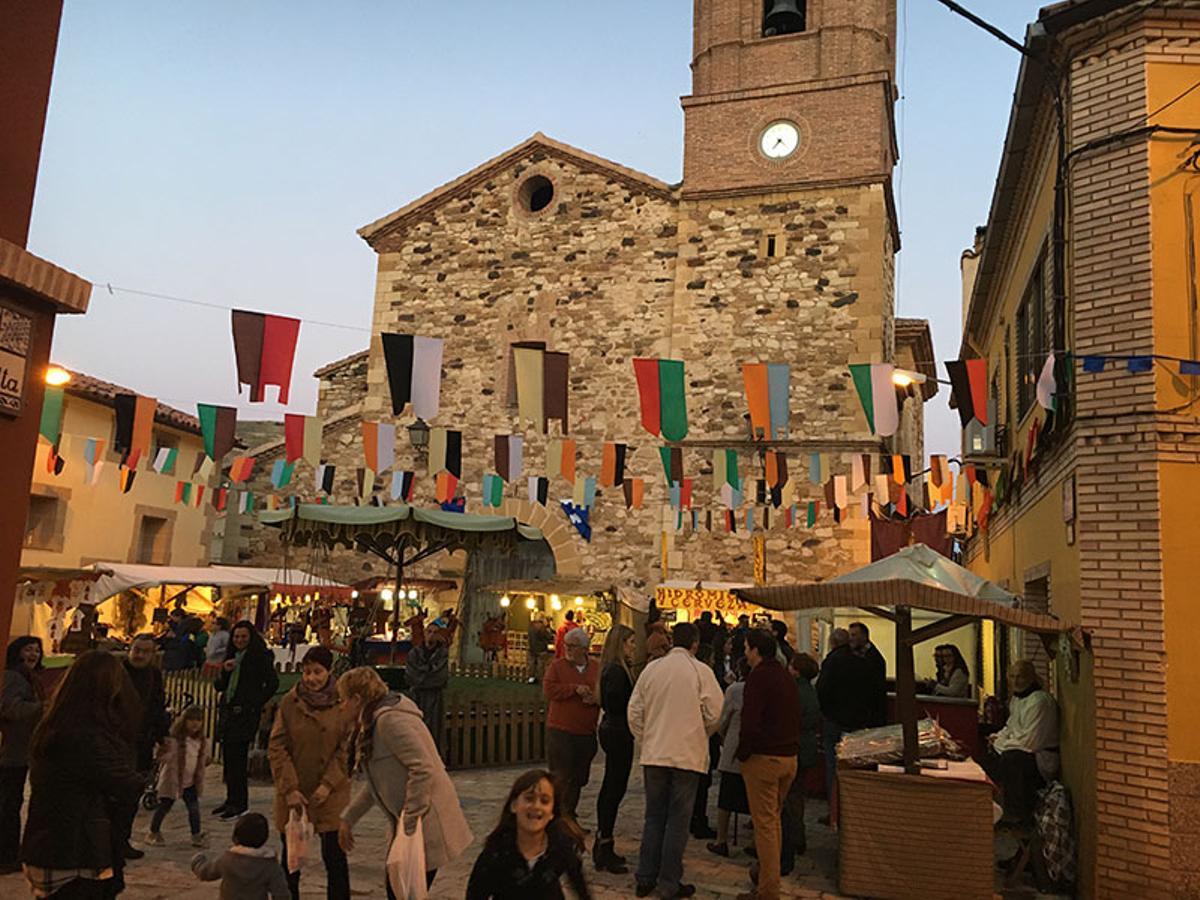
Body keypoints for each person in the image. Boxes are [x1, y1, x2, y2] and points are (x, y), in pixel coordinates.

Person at [21, 650, 146, 899]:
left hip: (48, 843)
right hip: (74, 851)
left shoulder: (56, 724)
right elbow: (124, 785)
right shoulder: (86, 736)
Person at [337, 667, 472, 894]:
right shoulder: (370, 725)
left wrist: (409, 821)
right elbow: (378, 783)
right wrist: (349, 818)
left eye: (343, 700)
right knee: (400, 890)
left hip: (425, 824)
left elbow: (423, 767)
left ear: (357, 699)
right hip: (408, 827)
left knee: (403, 890)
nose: (340, 706)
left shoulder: (389, 721)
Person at [628, 622, 724, 900]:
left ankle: (645, 876)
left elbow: (634, 710)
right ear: (694, 643)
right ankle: (669, 881)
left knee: (654, 817)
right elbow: (716, 713)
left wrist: (647, 738)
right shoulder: (701, 672)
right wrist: (699, 732)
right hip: (686, 756)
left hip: (656, 754)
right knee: (677, 822)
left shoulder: (652, 670)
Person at [268, 646, 353, 900]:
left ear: (329, 672)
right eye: (307, 672)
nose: (311, 678)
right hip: (296, 789)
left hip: (331, 792)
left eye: (317, 672)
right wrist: (289, 788)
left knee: (335, 857)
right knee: (291, 858)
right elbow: (278, 745)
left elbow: (346, 749)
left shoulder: (343, 704)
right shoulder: (290, 702)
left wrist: (328, 784)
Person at [736, 629, 800, 900]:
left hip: (765, 757)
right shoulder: (785, 675)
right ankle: (767, 879)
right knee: (773, 823)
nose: (745, 653)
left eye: (747, 648)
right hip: (788, 757)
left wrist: (742, 753)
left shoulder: (759, 677)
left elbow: (750, 722)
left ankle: (768, 891)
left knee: (765, 826)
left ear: (755, 650)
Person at [466, 769, 591, 899]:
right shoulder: (496, 852)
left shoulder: (560, 846)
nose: (536, 806)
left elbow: (581, 890)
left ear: (552, 813)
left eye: (544, 801)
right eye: (529, 799)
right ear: (514, 805)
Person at [214, 621, 280, 820]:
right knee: (229, 758)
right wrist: (225, 671)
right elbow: (219, 686)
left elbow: (272, 683)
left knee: (239, 759)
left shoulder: (259, 657)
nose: (239, 640)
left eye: (243, 637)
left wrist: (254, 702)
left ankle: (240, 803)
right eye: (236, 637)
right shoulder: (232, 657)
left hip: (244, 714)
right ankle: (230, 799)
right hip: (229, 712)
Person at [985, 659, 1059, 825]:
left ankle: (1018, 816)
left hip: (1041, 759)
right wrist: (997, 738)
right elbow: (1010, 727)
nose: (1016, 681)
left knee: (1012, 759)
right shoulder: (1016, 700)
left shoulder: (1039, 702)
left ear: (1031, 677)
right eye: (1012, 676)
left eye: (1021, 677)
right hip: (1019, 747)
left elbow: (1030, 743)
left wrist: (1000, 743)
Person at [121, 633, 170, 859]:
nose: (139, 655)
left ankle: (122, 839)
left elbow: (157, 707)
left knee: (133, 792)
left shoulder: (153, 676)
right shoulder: (118, 673)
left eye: (145, 651)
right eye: (136, 650)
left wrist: (163, 737)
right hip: (118, 741)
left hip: (142, 743)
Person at [542, 626, 599, 822]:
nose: (568, 649)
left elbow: (602, 692)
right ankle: (558, 817)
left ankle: (569, 815)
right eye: (567, 645)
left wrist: (596, 699)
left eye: (573, 646)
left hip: (585, 732)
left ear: (584, 648)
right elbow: (549, 690)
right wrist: (573, 689)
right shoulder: (557, 667)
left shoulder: (595, 668)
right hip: (561, 731)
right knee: (561, 777)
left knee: (578, 778)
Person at [0, 636, 45, 874]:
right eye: (29, 649)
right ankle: (6, 854)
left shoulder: (27, 677)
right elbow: (10, 708)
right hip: (12, 751)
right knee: (9, 803)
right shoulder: (14, 677)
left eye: (37, 650)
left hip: (20, 749)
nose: (34, 654)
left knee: (12, 802)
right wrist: (43, 708)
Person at [594, 625, 636, 874]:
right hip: (618, 732)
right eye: (630, 642)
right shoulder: (616, 672)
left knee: (614, 786)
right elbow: (618, 702)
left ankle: (605, 841)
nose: (633, 646)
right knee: (613, 787)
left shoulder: (616, 670)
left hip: (616, 729)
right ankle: (604, 842)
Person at [145, 705, 209, 848]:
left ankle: (196, 835)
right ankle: (153, 831)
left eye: (198, 720)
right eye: (191, 719)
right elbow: (163, 755)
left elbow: (201, 759)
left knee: (194, 808)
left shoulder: (201, 741)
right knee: (164, 806)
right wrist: (163, 754)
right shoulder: (175, 740)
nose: (195, 723)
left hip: (190, 781)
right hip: (173, 781)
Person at [781, 653, 821, 874]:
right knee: (797, 796)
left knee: (790, 797)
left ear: (796, 670)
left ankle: (793, 838)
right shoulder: (810, 691)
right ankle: (798, 835)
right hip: (806, 748)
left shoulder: (794, 691)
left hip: (795, 746)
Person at [707, 658, 750, 859]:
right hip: (753, 753)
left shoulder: (735, 690)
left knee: (727, 798)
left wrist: (722, 736)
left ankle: (721, 839)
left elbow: (723, 719)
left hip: (733, 748)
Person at [191, 811, 290, 899]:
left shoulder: (227, 860)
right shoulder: (270, 864)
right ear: (265, 838)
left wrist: (197, 860)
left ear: (236, 837)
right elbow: (281, 893)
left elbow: (205, 873)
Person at [690, 644, 719, 841]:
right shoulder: (704, 676)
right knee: (700, 784)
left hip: (686, 738)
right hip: (699, 739)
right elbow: (716, 713)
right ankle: (697, 820)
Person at [405, 624, 449, 751]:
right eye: (429, 631)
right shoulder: (414, 653)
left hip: (434, 697)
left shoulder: (442, 654)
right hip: (417, 696)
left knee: (434, 728)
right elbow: (411, 674)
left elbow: (441, 676)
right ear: (424, 633)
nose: (431, 635)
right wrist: (426, 674)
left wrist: (424, 675)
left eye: (435, 632)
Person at [847, 622, 887, 726]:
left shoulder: (873, 659)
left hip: (871, 714)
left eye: (854, 635)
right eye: (850, 635)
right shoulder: (865, 655)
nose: (850, 639)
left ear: (864, 636)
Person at [527, 616, 553, 684]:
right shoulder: (542, 627)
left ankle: (531, 679)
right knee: (540, 665)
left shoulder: (531, 626)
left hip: (531, 648)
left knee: (531, 665)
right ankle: (540, 679)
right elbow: (548, 636)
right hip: (541, 649)